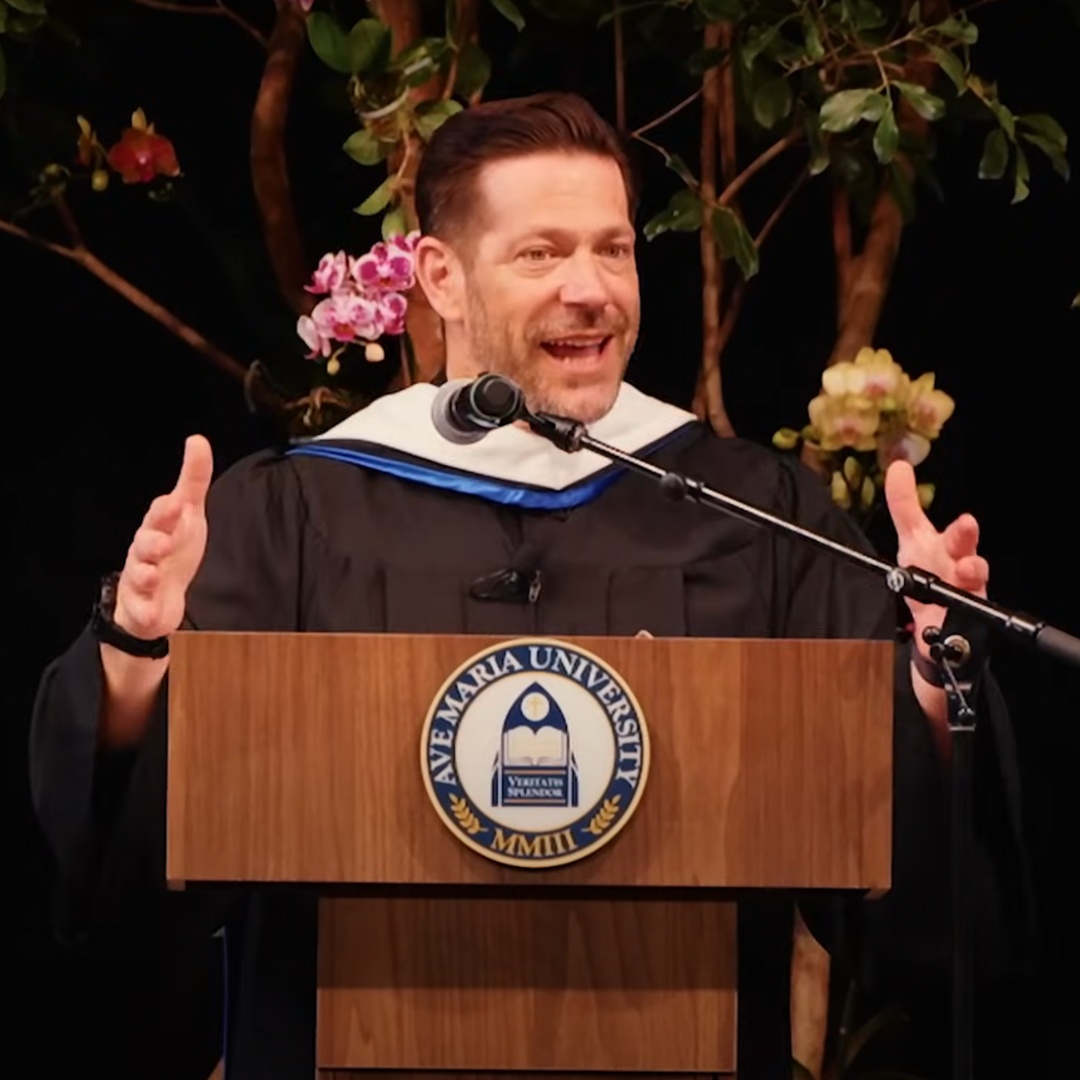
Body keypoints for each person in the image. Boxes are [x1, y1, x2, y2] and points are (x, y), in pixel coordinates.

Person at [29, 92, 1030, 1080]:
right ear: (442, 277)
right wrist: (136, 660)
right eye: (542, 253)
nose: (590, 289)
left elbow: (912, 908)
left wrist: (933, 697)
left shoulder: (748, 513)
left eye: (614, 249)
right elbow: (128, 888)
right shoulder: (301, 514)